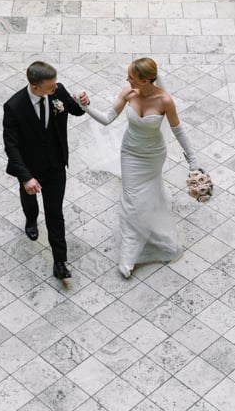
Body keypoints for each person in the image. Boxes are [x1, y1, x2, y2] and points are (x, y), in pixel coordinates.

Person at [79, 58, 196, 278]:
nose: (127, 80)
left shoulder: (165, 101)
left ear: (144, 80)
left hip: (153, 156)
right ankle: (129, 251)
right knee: (132, 200)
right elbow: (106, 119)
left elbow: (178, 131)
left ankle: (156, 233)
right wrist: (86, 107)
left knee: (149, 193)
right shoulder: (128, 93)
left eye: (131, 77)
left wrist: (193, 160)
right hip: (130, 153)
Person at [3, 61, 87, 281]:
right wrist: (26, 177)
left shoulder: (57, 91)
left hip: (56, 165)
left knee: (55, 212)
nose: (55, 88)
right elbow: (10, 145)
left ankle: (60, 261)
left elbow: (76, 110)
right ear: (35, 87)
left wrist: (84, 103)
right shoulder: (14, 106)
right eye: (50, 86)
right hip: (30, 169)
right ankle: (31, 220)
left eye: (55, 84)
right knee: (29, 200)